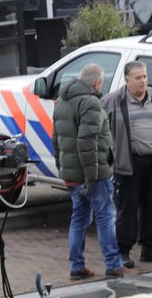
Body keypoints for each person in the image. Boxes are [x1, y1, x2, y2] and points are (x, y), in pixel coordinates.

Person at [52, 62, 124, 279]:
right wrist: (91, 178)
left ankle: (76, 266)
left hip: (72, 175)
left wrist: (62, 168)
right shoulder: (90, 102)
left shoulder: (62, 101)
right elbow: (87, 142)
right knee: (105, 217)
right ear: (96, 83)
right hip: (94, 174)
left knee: (79, 219)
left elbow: (56, 139)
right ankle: (113, 264)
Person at [103, 61, 152, 268]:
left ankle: (149, 249)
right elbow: (100, 128)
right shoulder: (112, 101)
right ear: (127, 80)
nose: (143, 81)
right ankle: (123, 251)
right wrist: (111, 153)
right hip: (128, 163)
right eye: (138, 78)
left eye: (144, 77)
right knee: (128, 209)